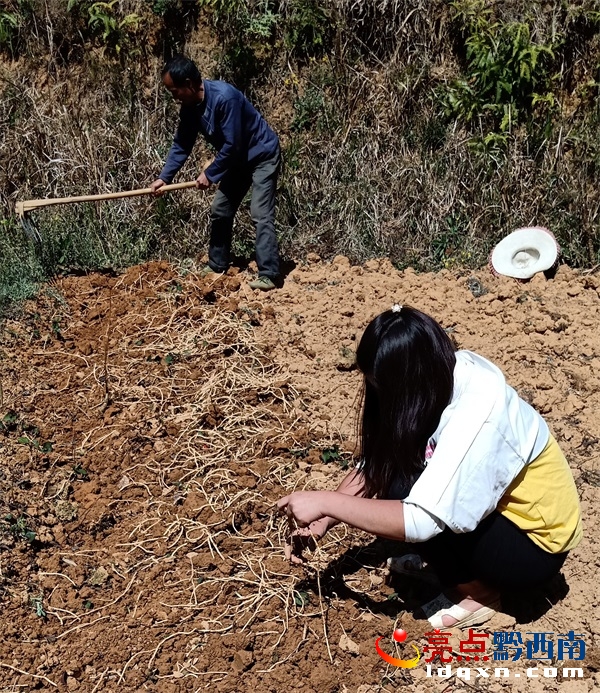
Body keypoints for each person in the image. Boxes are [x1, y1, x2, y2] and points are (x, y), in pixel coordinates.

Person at [277, 305, 583, 628]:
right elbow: (382, 459)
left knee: (407, 493)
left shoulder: (475, 414)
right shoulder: (436, 377)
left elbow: (421, 518)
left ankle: (481, 593)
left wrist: (327, 503)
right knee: (401, 475)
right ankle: (462, 569)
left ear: (406, 386)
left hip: (537, 545)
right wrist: (324, 519)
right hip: (509, 519)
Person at [151, 55, 281, 291]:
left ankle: (269, 274)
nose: (174, 97)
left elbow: (234, 144)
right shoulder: (190, 108)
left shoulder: (224, 98)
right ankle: (217, 264)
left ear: (189, 84)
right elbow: (182, 144)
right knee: (220, 209)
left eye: (175, 91)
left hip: (261, 155)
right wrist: (164, 177)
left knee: (260, 212)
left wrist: (210, 174)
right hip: (237, 160)